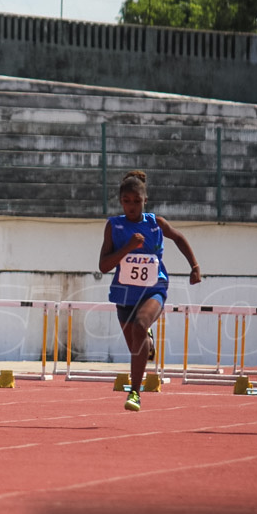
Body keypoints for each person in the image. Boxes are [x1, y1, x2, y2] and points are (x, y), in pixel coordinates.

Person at [99, 170, 201, 412]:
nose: (131, 206)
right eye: (126, 201)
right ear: (120, 201)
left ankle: (135, 392)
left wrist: (195, 267)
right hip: (124, 294)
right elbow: (103, 266)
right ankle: (147, 343)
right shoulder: (114, 226)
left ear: (145, 200)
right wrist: (128, 247)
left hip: (154, 289)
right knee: (136, 345)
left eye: (136, 201)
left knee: (140, 326)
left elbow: (179, 238)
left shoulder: (156, 223)